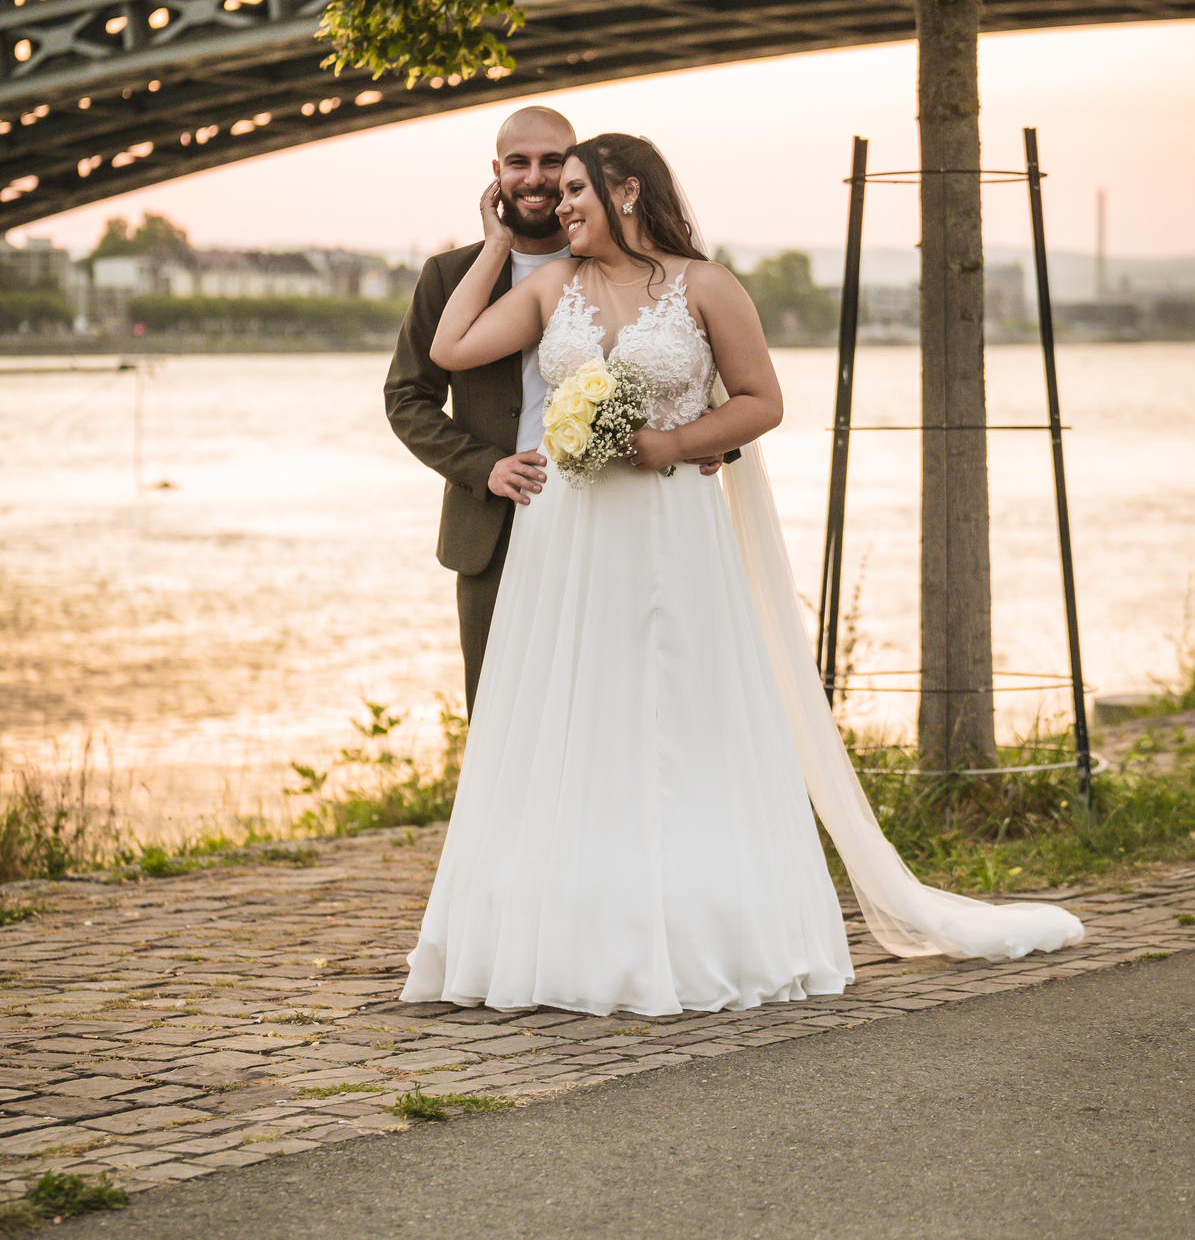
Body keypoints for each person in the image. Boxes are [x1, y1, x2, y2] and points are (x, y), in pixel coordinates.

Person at [401, 133, 1084, 1016]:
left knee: (677, 714)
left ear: (629, 193)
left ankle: (698, 924)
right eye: (557, 191)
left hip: (668, 527)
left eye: (576, 190)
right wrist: (494, 241)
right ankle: (568, 925)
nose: (562, 205)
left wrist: (674, 443)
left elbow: (762, 400)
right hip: (564, 542)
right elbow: (451, 348)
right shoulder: (547, 287)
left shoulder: (705, 286)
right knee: (574, 715)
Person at [384, 106, 575, 716]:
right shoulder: (448, 274)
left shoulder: (612, 268)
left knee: (597, 705)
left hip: (603, 510)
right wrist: (483, 466)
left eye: (552, 162)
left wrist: (710, 444)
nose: (535, 178)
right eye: (519, 162)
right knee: (498, 713)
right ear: (497, 172)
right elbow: (407, 396)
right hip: (492, 525)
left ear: (574, 169)